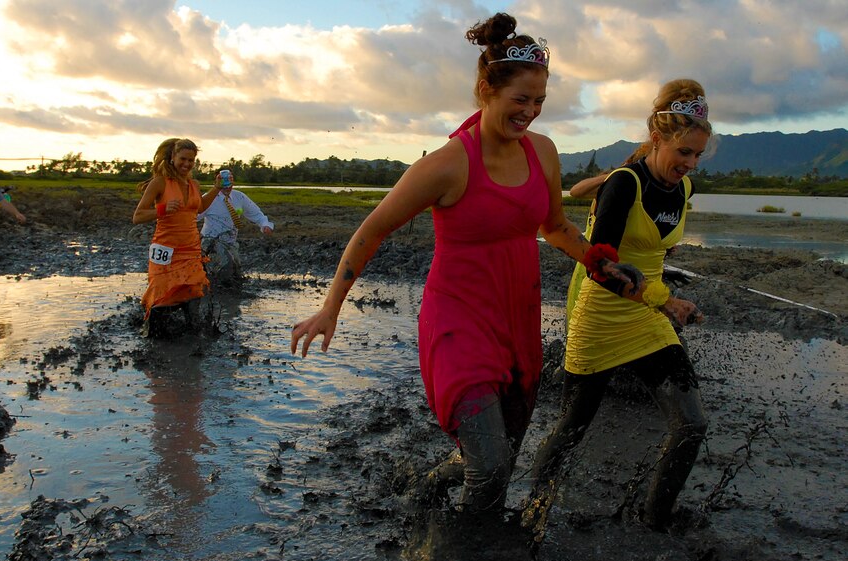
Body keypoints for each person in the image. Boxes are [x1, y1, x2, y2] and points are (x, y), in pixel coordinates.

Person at [290, 13, 639, 514]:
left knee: (497, 459)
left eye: (540, 101)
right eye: (521, 99)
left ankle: (427, 490)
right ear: (486, 90)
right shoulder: (447, 164)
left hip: (517, 318)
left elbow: (555, 227)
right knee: (493, 465)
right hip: (457, 319)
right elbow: (372, 230)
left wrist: (603, 265)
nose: (531, 113)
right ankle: (466, 560)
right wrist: (330, 308)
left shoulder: (543, 152)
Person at [527, 79, 713, 532]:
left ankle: (655, 520)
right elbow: (600, 266)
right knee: (572, 428)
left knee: (690, 423)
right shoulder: (624, 184)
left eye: (697, 156)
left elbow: (653, 252)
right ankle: (534, 510)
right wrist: (666, 300)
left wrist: (663, 285)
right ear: (657, 138)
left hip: (647, 318)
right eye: (683, 152)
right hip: (602, 319)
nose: (688, 165)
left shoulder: (683, 192)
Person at [132, 138, 222, 333]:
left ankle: (191, 343)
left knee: (192, 293)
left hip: (190, 249)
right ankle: (152, 337)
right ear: (172, 157)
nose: (186, 164)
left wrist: (216, 189)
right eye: (183, 159)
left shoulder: (194, 184)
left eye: (191, 160)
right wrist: (162, 209)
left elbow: (198, 209)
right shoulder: (160, 183)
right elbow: (138, 216)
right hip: (166, 249)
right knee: (161, 296)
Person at [197, 177, 274, 285]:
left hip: (230, 241)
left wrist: (265, 225)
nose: (227, 186)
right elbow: (193, 216)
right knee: (226, 264)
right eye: (223, 182)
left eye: (230, 181)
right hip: (210, 241)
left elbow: (255, 213)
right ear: (216, 183)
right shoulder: (208, 198)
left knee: (236, 269)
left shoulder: (239, 197)